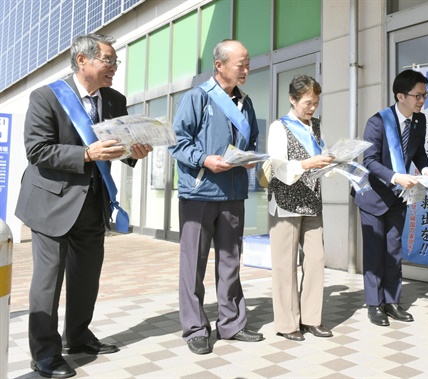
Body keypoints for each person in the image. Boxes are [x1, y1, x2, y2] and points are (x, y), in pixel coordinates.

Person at [15, 33, 152, 378]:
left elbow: (116, 147)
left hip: (93, 201)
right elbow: (37, 151)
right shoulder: (47, 96)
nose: (114, 68)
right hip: (50, 202)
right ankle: (44, 353)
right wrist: (86, 153)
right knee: (48, 283)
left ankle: (77, 336)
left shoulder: (115, 100)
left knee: (86, 277)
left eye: (115, 62)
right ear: (82, 61)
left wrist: (134, 151)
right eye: (108, 60)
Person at [169, 39, 263, 356]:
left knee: (230, 261)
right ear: (220, 65)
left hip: (234, 191)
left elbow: (252, 138)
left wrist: (250, 157)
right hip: (199, 192)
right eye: (241, 64)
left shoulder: (245, 102)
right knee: (193, 263)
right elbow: (177, 143)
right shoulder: (197, 98)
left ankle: (232, 324)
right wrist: (205, 159)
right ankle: (195, 328)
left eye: (248, 63)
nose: (247, 69)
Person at [353, 69, 428, 327]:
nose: (422, 100)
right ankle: (374, 304)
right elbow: (369, 161)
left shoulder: (419, 121)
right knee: (374, 252)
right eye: (418, 95)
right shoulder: (377, 122)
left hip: (399, 197)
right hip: (374, 197)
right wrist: (395, 177)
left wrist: (426, 168)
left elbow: (418, 151)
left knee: (393, 250)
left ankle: (392, 302)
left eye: (425, 94)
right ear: (401, 95)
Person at [267, 75, 334, 341]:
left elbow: (323, 155)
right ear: (292, 100)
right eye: (307, 102)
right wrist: (307, 164)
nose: (312, 108)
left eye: (316, 103)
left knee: (316, 260)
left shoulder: (315, 125)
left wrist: (331, 161)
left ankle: (311, 319)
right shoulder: (278, 127)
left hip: (312, 201)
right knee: (285, 265)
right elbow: (278, 167)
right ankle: (287, 323)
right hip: (285, 203)